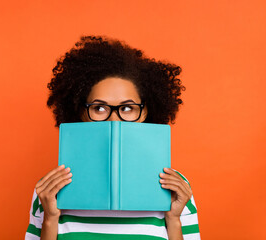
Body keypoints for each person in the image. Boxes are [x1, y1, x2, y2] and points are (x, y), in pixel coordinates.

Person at [25, 36, 200, 240]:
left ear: (143, 114)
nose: (114, 119)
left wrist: (174, 219)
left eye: (127, 108)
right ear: (82, 113)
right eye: (99, 108)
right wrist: (50, 219)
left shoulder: (175, 188)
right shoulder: (48, 189)